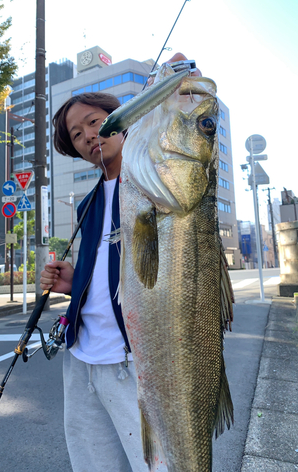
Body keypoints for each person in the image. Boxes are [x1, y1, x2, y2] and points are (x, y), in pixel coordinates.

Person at [40, 53, 200, 472]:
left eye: (94, 121)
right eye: (76, 134)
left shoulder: (157, 177)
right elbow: (114, 274)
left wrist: (181, 80)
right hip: (82, 361)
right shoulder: (88, 205)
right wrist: (74, 283)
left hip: (136, 362)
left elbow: (186, 116)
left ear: (121, 118)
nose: (89, 135)